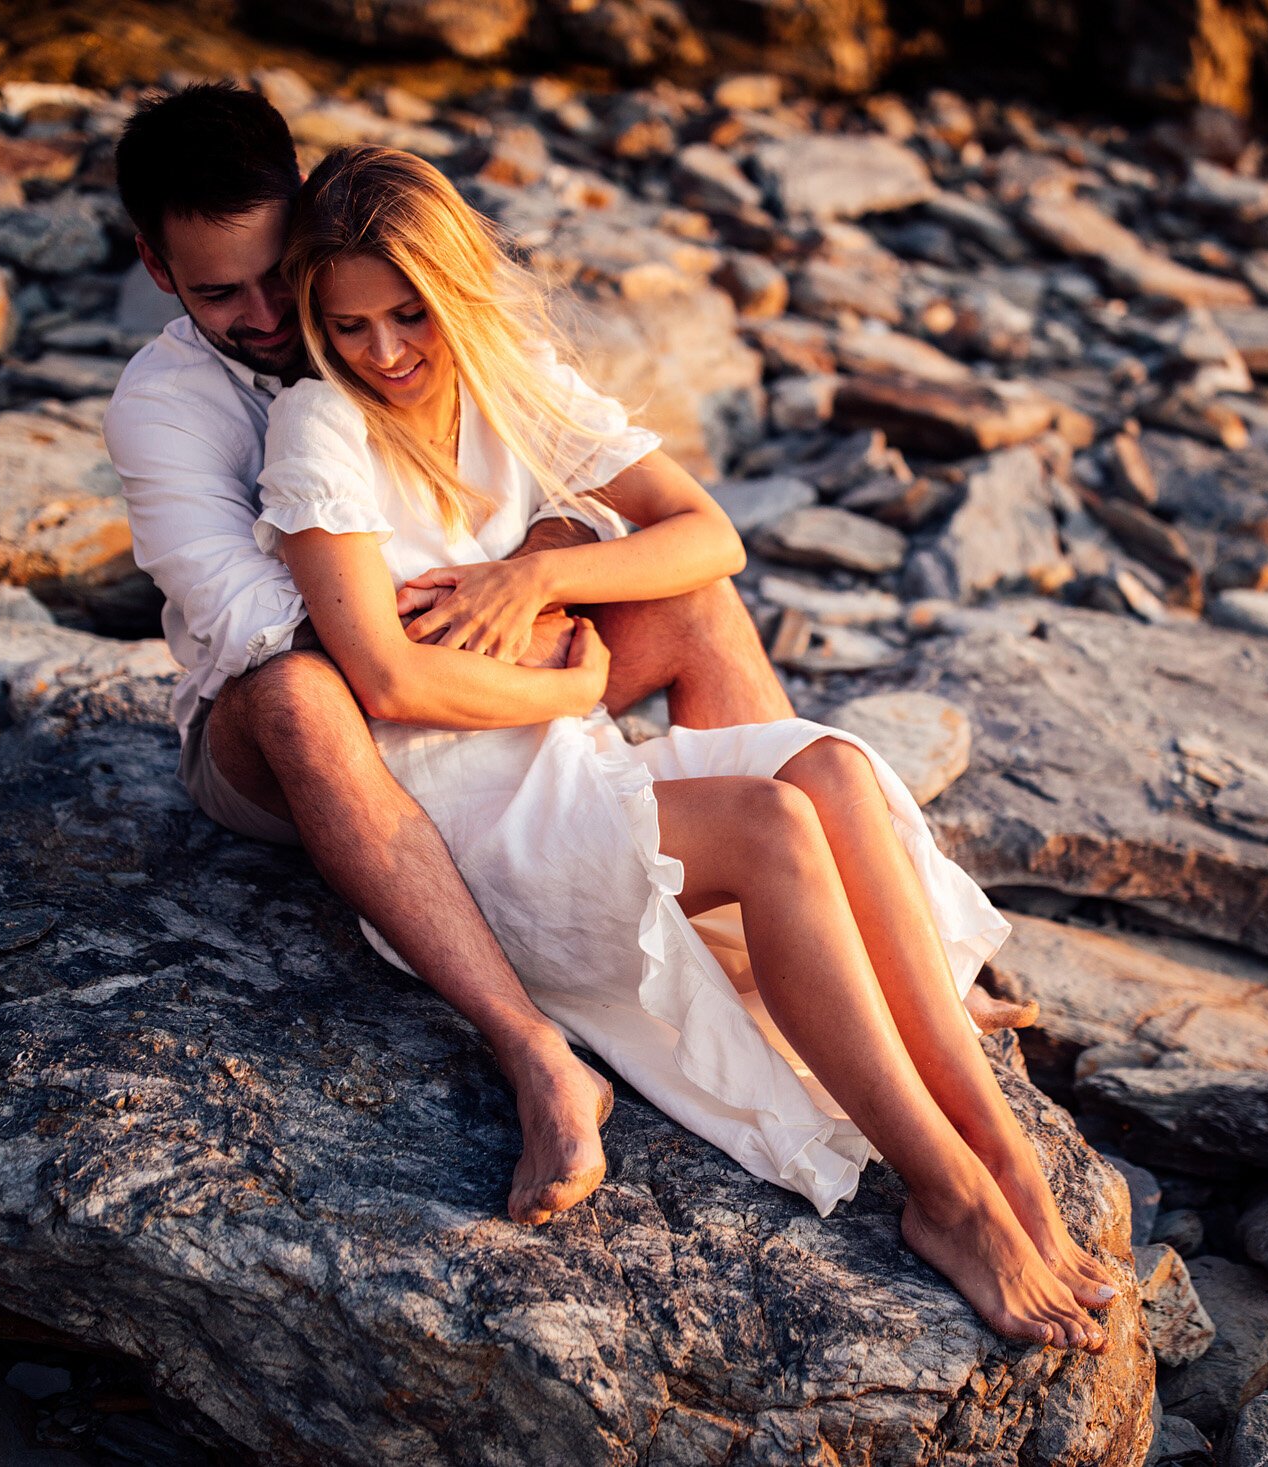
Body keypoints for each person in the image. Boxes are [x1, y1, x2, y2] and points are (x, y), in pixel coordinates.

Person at [253, 140, 1120, 1351]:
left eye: (409, 314)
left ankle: (1005, 1152)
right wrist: (575, 687)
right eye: (345, 324)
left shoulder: (509, 379)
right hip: (469, 821)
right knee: (771, 821)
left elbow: (709, 539)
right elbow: (382, 677)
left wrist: (541, 570)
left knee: (831, 770)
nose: (384, 352)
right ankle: (954, 1199)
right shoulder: (318, 428)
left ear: (456, 293)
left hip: (573, 767)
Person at [102, 83, 793, 1232]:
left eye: (282, 273)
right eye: (220, 293)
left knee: (695, 601)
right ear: (159, 270)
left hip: (473, 669)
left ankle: (814, 935)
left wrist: (540, 564)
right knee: (294, 690)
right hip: (298, 749)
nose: (271, 315)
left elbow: (671, 518)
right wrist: (557, 667)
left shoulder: (417, 306)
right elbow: (286, 632)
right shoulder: (165, 408)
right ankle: (537, 1059)